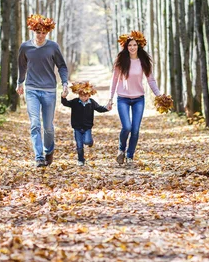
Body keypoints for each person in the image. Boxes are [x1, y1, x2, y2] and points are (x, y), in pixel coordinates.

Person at [17, 14, 69, 167]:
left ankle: (49, 150)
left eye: (43, 33)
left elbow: (62, 66)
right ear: (33, 30)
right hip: (31, 89)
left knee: (48, 127)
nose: (40, 35)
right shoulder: (25, 46)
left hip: (49, 91)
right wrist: (20, 82)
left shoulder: (53, 47)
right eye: (38, 32)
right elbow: (22, 66)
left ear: (47, 33)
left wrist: (65, 83)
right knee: (34, 124)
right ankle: (39, 157)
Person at [107, 30, 161, 165]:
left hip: (138, 99)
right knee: (127, 127)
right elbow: (114, 80)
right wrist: (110, 98)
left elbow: (151, 80)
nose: (132, 47)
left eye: (135, 45)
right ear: (126, 46)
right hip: (123, 98)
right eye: (130, 45)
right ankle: (121, 150)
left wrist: (159, 95)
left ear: (139, 46)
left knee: (135, 129)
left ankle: (130, 156)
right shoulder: (121, 61)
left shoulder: (143, 62)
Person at [61, 81, 110, 166]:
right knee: (79, 145)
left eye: (85, 96)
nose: (83, 98)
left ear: (89, 95)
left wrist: (107, 108)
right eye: (81, 96)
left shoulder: (91, 103)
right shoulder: (75, 102)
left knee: (87, 141)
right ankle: (81, 160)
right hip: (77, 127)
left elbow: (99, 108)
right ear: (78, 95)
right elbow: (66, 103)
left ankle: (90, 142)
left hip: (87, 127)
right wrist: (63, 97)